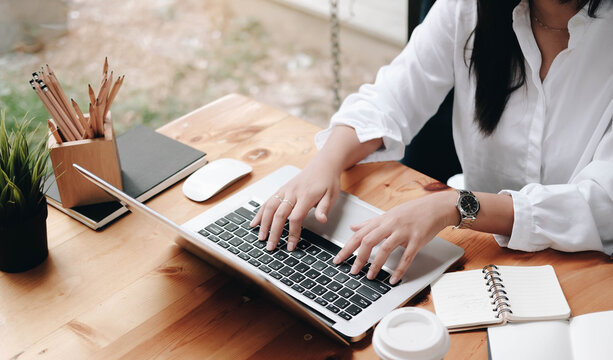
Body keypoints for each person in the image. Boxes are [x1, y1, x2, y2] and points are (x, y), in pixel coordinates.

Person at [250, 0, 613, 285]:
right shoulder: (469, 8)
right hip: (483, 255)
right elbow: (390, 97)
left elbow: (602, 204)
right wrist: (323, 165)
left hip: (590, 268)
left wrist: (457, 206)